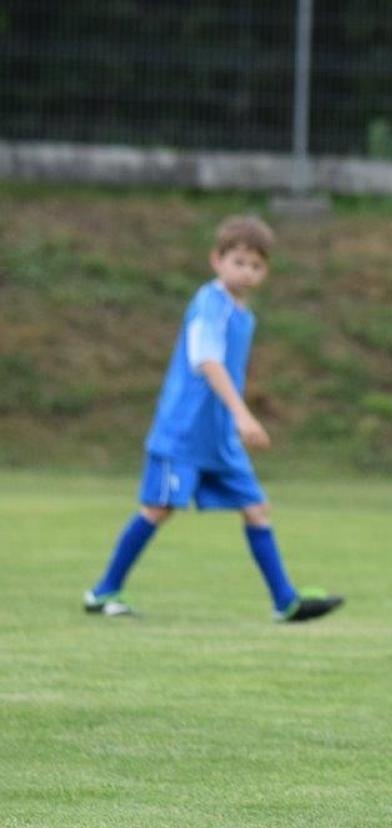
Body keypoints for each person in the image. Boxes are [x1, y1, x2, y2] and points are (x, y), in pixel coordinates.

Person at [82, 216, 343, 623]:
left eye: (256, 266)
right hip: (184, 432)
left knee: (257, 508)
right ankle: (103, 591)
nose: (247, 272)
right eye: (239, 261)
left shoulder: (244, 316)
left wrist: (233, 420)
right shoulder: (211, 305)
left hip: (218, 438)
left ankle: (285, 601)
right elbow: (206, 361)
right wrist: (243, 415)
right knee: (158, 508)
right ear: (216, 260)